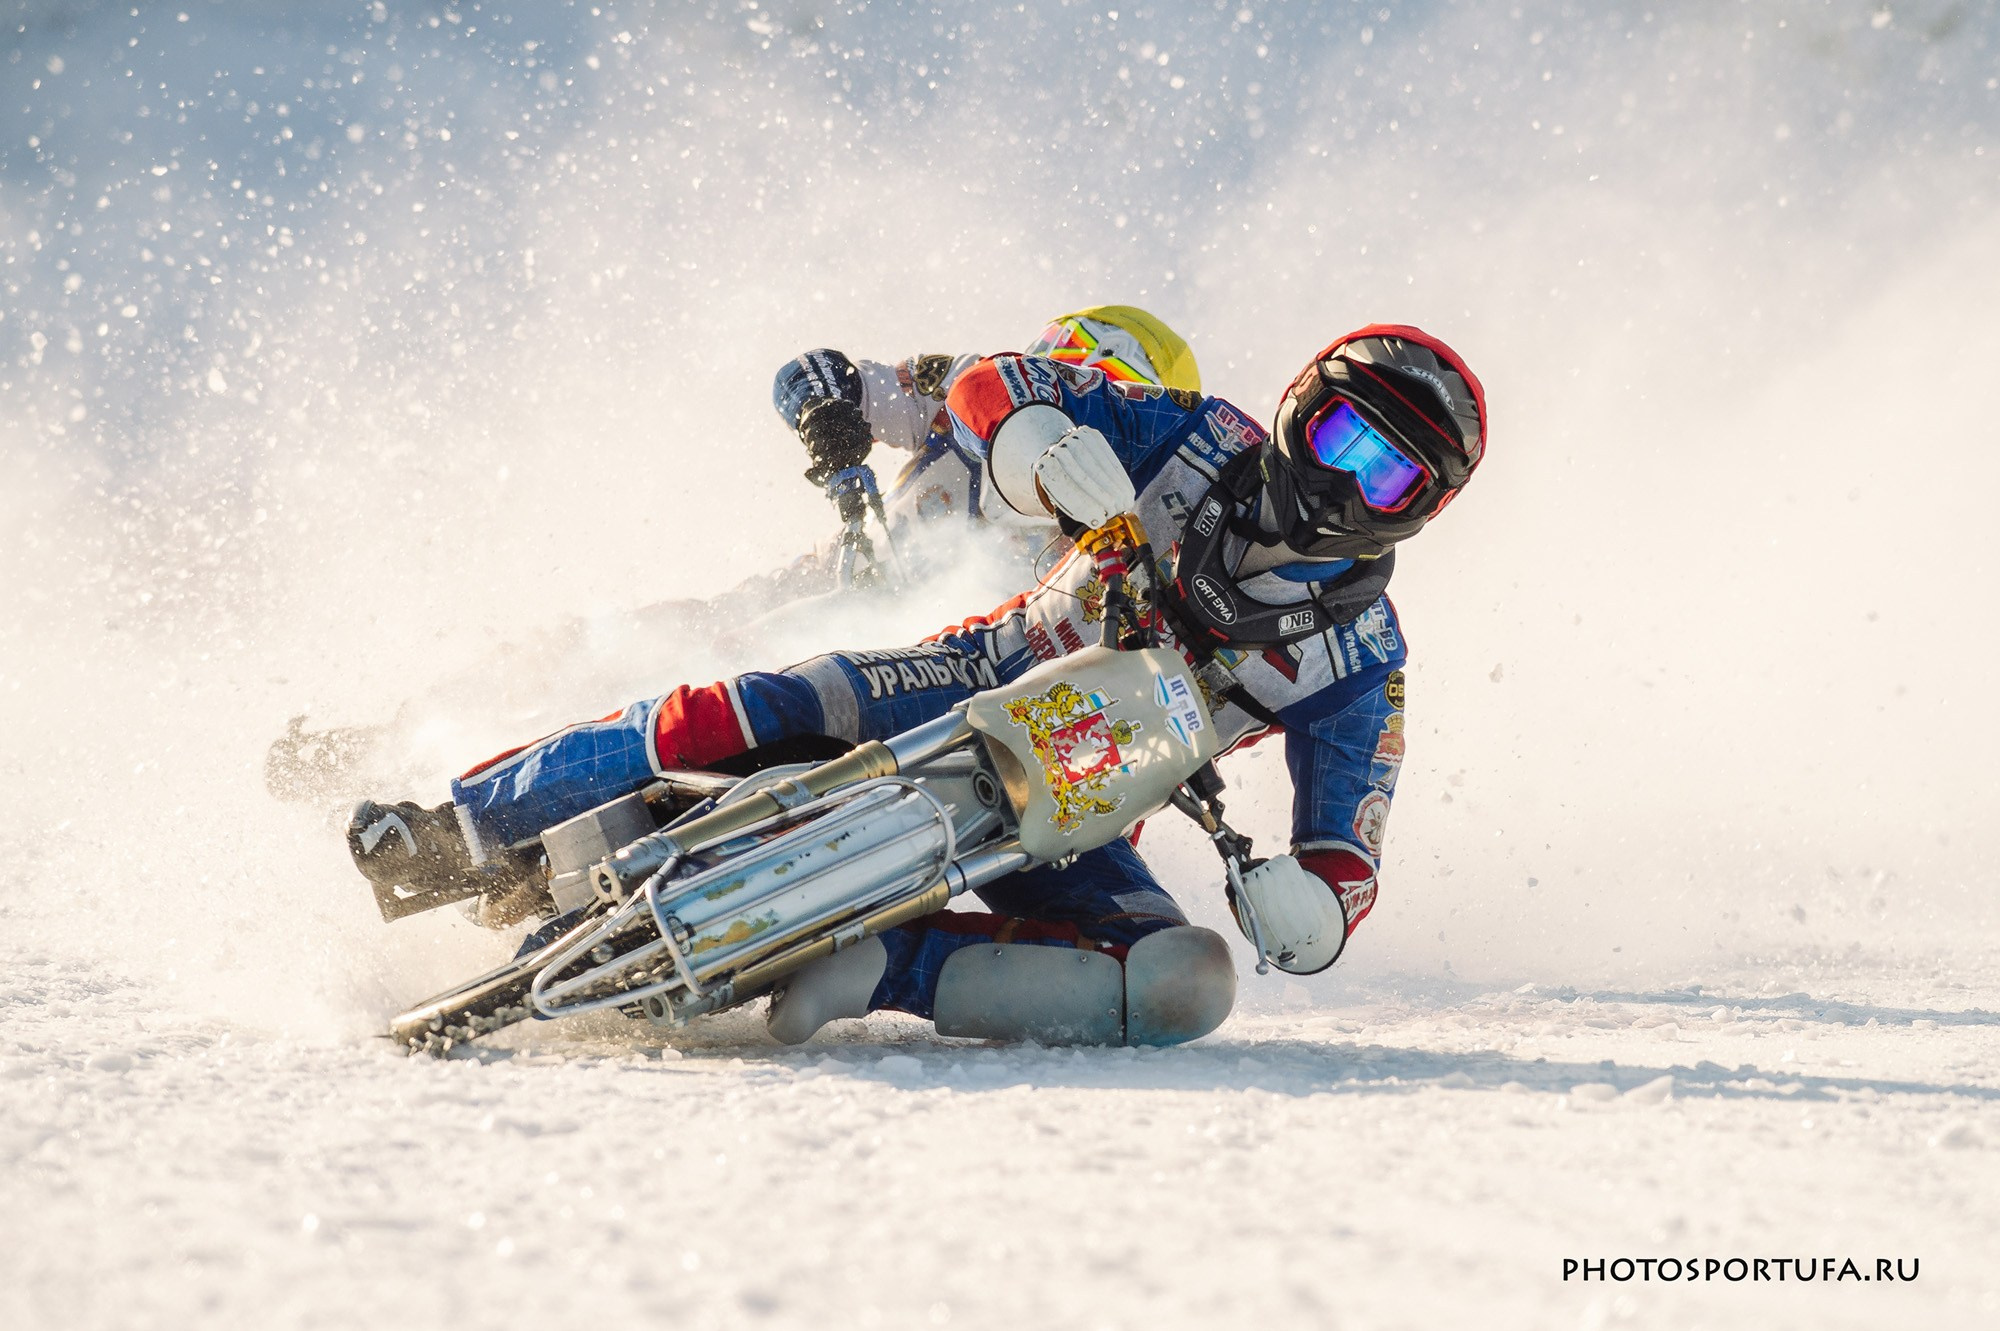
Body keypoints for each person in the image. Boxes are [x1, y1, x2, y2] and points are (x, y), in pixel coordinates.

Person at [348, 323, 1486, 1045]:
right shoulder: (1194, 432)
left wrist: (1314, 905)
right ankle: (459, 829)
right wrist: (1038, 440)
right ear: (1298, 403)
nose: (1341, 477)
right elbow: (989, 379)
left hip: (1084, 802)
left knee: (1184, 980)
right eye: (1339, 433)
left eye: (1382, 472)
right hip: (970, 668)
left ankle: (880, 962)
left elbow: (1349, 850)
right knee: (753, 705)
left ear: (1417, 511)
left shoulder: (1363, 664)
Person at [757, 306, 1204, 598]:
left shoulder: (1133, 530)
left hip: (933, 668)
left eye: (1105, 381)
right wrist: (824, 410)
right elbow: (809, 373)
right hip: (827, 573)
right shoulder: (956, 384)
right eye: (1061, 359)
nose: (1073, 382)